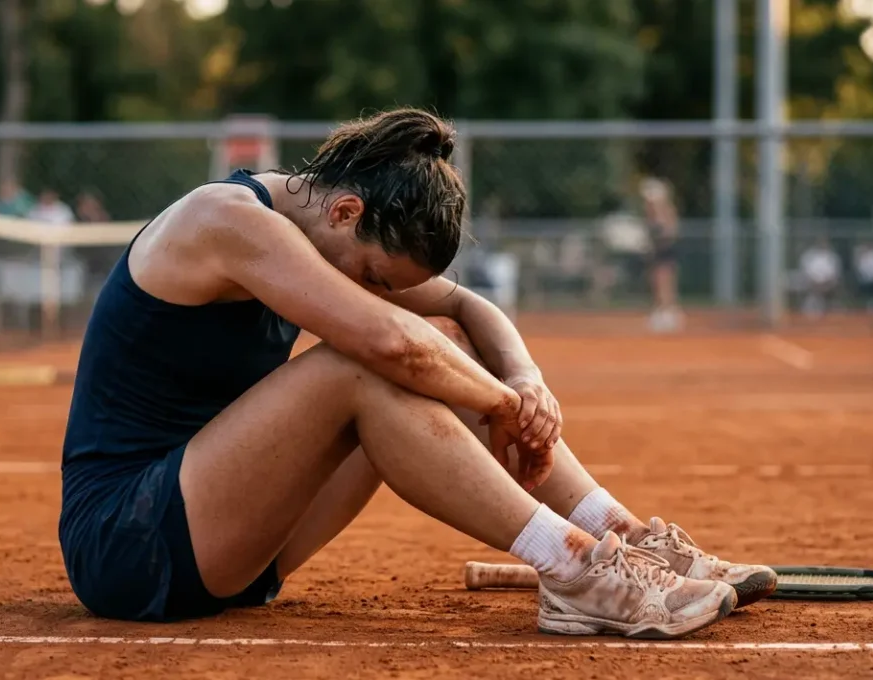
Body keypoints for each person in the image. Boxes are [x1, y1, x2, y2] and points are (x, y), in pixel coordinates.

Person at [58, 108, 775, 639]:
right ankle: (573, 566)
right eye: (374, 276)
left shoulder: (329, 228)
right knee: (362, 364)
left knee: (445, 338)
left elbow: (466, 306)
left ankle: (624, 534)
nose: (373, 290)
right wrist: (503, 405)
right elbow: (389, 344)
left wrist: (526, 380)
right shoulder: (225, 220)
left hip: (236, 542)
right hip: (130, 543)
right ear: (346, 211)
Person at [640, 178, 682, 333]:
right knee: (656, 280)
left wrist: (659, 233)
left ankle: (669, 311)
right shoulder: (653, 213)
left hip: (665, 249)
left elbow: (669, 231)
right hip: (658, 249)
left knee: (664, 280)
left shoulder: (665, 211)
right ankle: (662, 310)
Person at [798, 236, 841, 319]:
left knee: (833, 285)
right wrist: (815, 282)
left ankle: (830, 310)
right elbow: (805, 272)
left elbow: (835, 273)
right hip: (812, 283)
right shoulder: (809, 256)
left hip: (828, 283)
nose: (822, 244)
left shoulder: (832, 256)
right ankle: (811, 309)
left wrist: (825, 283)